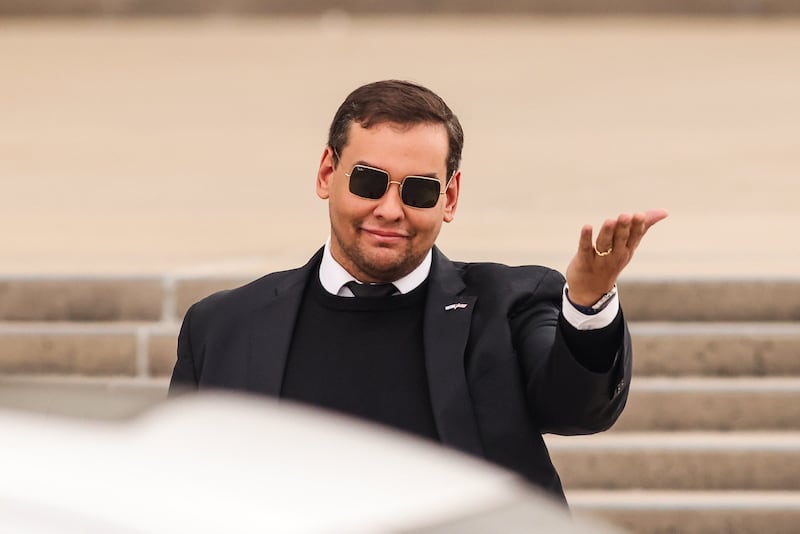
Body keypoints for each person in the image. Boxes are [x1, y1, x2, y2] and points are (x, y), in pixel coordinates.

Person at [169, 79, 667, 504]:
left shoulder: (507, 304)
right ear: (327, 174)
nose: (390, 209)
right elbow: (177, 492)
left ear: (448, 198)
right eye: (369, 182)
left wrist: (588, 304)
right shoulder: (223, 327)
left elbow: (578, 409)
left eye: (419, 190)